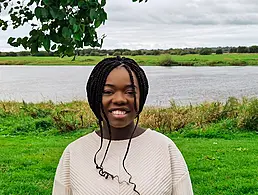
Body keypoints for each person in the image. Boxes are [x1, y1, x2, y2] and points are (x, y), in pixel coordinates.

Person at [52, 57, 193, 195]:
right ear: (93, 96)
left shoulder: (165, 148)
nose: (119, 99)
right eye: (108, 92)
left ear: (141, 97)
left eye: (130, 92)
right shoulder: (74, 152)